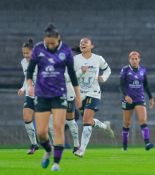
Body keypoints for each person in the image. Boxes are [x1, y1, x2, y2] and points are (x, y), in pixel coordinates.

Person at [26, 24, 82, 171]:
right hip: (42, 95)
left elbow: (72, 75)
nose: (50, 45)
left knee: (58, 128)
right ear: (44, 39)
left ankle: (56, 162)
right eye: (48, 42)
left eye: (53, 43)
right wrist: (30, 85)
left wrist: (78, 96)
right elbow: (30, 71)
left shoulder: (66, 51)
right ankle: (48, 150)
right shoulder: (38, 49)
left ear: (58, 39)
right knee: (42, 133)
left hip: (59, 94)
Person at [73, 37, 114, 157]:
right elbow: (71, 77)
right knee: (89, 121)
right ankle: (105, 126)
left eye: (85, 42)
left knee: (86, 120)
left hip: (94, 92)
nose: (82, 44)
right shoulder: (75, 60)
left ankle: (82, 150)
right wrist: (81, 71)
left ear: (91, 46)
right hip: (80, 94)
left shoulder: (98, 59)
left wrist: (103, 78)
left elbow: (108, 70)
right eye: (81, 43)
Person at [119, 51, 154, 151]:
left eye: (136, 59)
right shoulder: (125, 70)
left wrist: (151, 97)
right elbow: (121, 85)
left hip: (139, 98)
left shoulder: (143, 70)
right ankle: (124, 146)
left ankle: (147, 143)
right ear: (129, 60)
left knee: (143, 120)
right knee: (126, 123)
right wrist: (125, 96)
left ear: (139, 59)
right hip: (128, 100)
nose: (134, 61)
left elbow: (146, 85)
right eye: (132, 59)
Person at [17, 38, 39, 154]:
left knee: (47, 125)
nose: (25, 55)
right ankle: (34, 144)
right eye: (23, 53)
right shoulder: (23, 62)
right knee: (26, 116)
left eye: (27, 53)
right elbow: (27, 79)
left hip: (42, 95)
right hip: (30, 95)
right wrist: (23, 88)